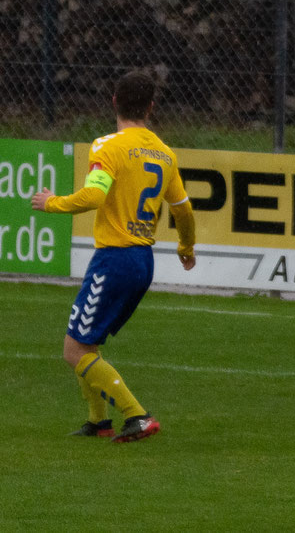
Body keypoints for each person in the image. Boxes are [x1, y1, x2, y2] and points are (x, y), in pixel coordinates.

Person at [31, 69, 196, 443]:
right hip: (143, 261)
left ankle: (137, 415)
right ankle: (98, 421)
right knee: (87, 342)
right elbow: (184, 211)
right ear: (151, 107)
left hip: (115, 259)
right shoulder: (165, 154)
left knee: (74, 349)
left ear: (113, 103)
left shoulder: (108, 146)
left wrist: (51, 203)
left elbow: (94, 196)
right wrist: (186, 248)